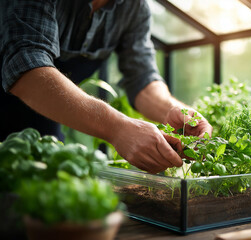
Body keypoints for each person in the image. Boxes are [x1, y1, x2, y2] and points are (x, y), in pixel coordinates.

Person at [0, 0, 213, 174]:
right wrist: (117, 127)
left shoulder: (134, 8)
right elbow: (27, 66)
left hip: (47, 118)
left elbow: (142, 77)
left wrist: (176, 112)